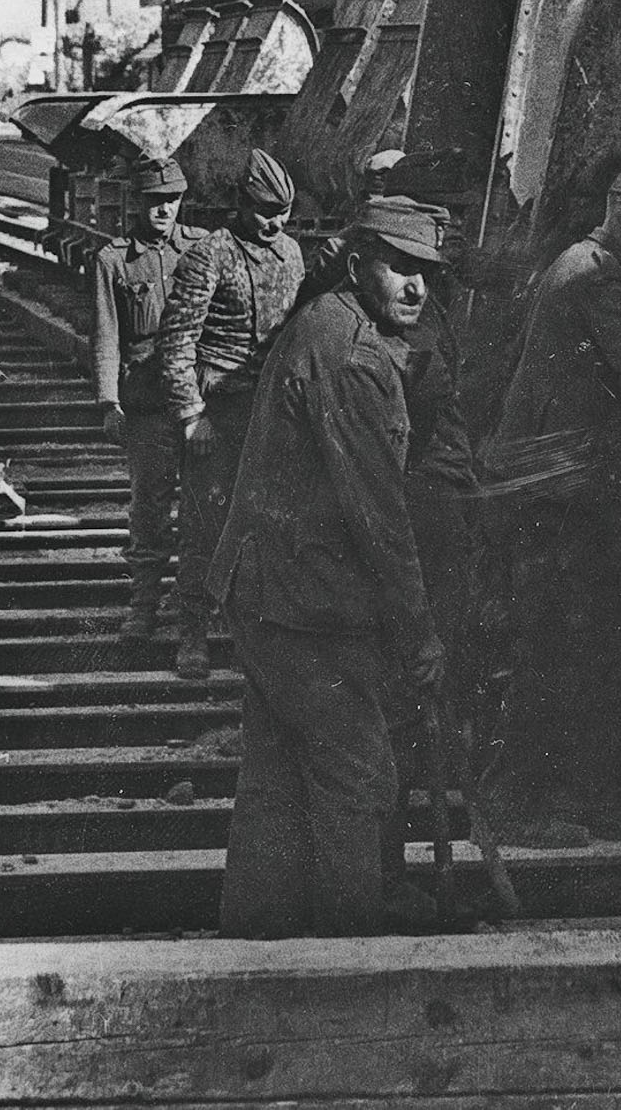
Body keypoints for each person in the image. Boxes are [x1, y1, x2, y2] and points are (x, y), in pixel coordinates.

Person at [208, 195, 447, 938]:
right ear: (356, 265)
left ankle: (257, 946)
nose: (416, 286)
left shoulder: (328, 323)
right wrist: (420, 635)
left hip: (270, 592)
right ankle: (348, 966)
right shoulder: (353, 359)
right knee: (358, 771)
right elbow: (379, 517)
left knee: (276, 776)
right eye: (398, 266)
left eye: (425, 272)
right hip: (301, 604)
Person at [483, 159, 621, 846]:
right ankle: (522, 805)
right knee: (559, 648)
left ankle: (591, 799)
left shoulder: (576, 262)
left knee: (597, 648)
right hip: (567, 491)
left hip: (567, 485)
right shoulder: (600, 279)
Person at [158, 149, 307, 680]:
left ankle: (254, 633)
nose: (276, 222)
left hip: (270, 413)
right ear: (242, 203)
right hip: (216, 412)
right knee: (203, 525)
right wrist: (191, 415)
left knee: (270, 526)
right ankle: (192, 632)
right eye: (266, 210)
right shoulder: (209, 255)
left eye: (284, 212)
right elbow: (177, 343)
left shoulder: (292, 255)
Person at [90, 157, 206, 645]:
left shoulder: (202, 249)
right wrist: (107, 401)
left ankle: (194, 613)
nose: (164, 209)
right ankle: (143, 605)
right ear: (138, 202)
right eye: (155, 201)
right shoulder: (114, 259)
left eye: (172, 200)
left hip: (198, 401)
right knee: (150, 507)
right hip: (147, 405)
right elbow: (106, 335)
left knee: (202, 507)